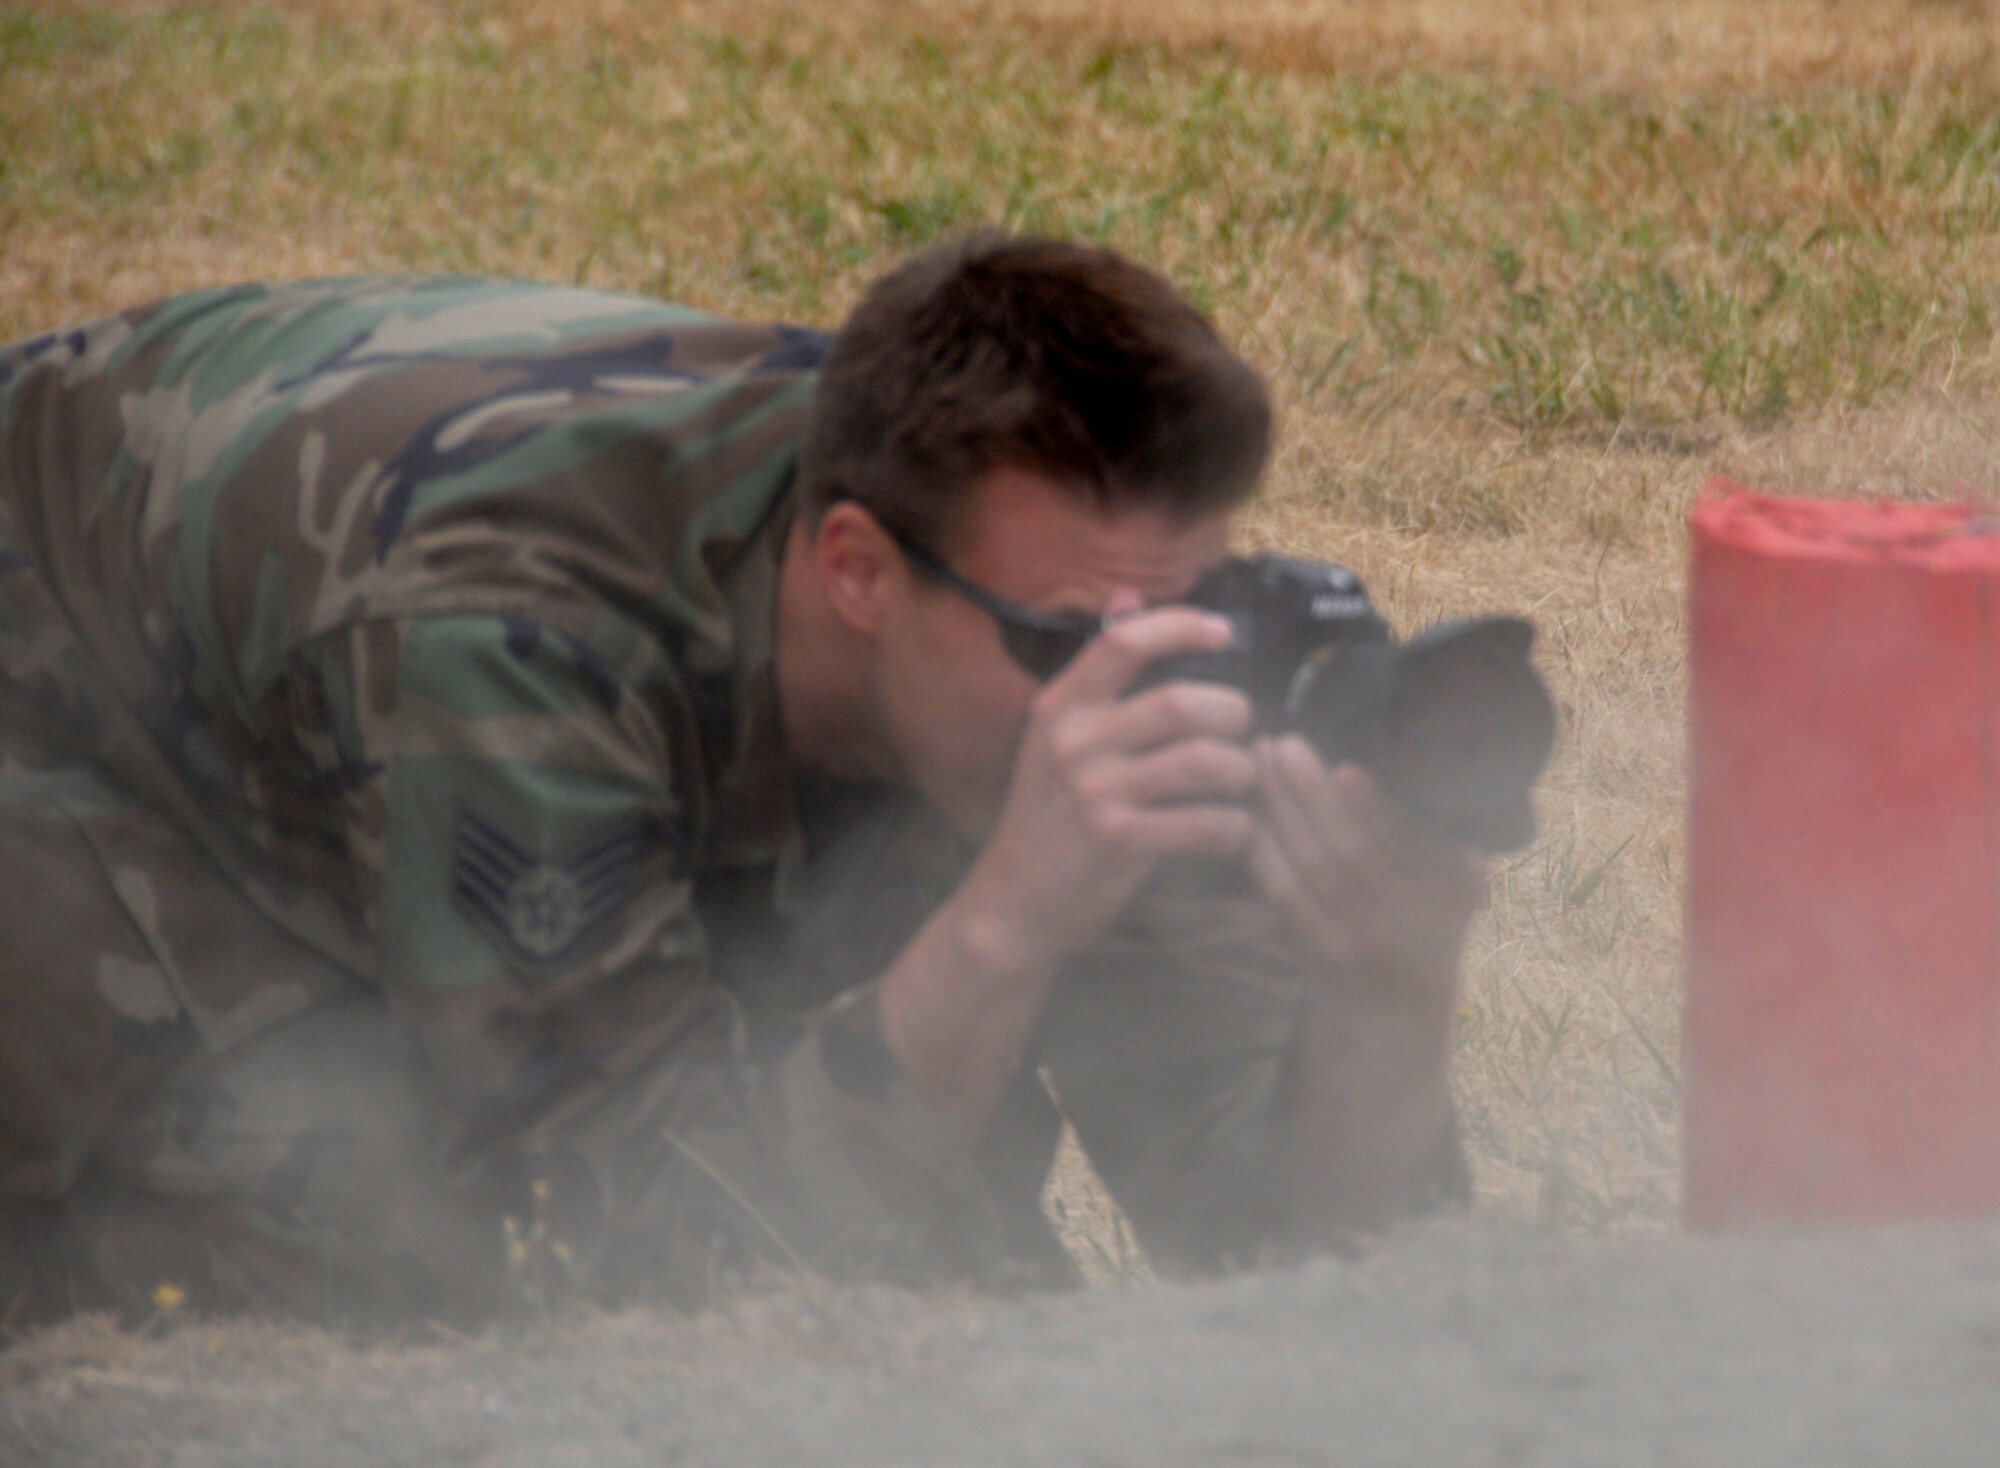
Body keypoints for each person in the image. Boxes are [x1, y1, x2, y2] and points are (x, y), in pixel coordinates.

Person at [0, 234, 1484, 1328]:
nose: (1129, 686)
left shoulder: (1081, 639)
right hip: (68, 704)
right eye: (1066, 640)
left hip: (311, 718)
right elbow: (625, 1256)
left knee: (949, 1276)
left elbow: (1284, 1288)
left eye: (1183, 620)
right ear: (857, 570)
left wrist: (1383, 1006)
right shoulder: (515, 635)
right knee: (408, 1258)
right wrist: (1002, 931)